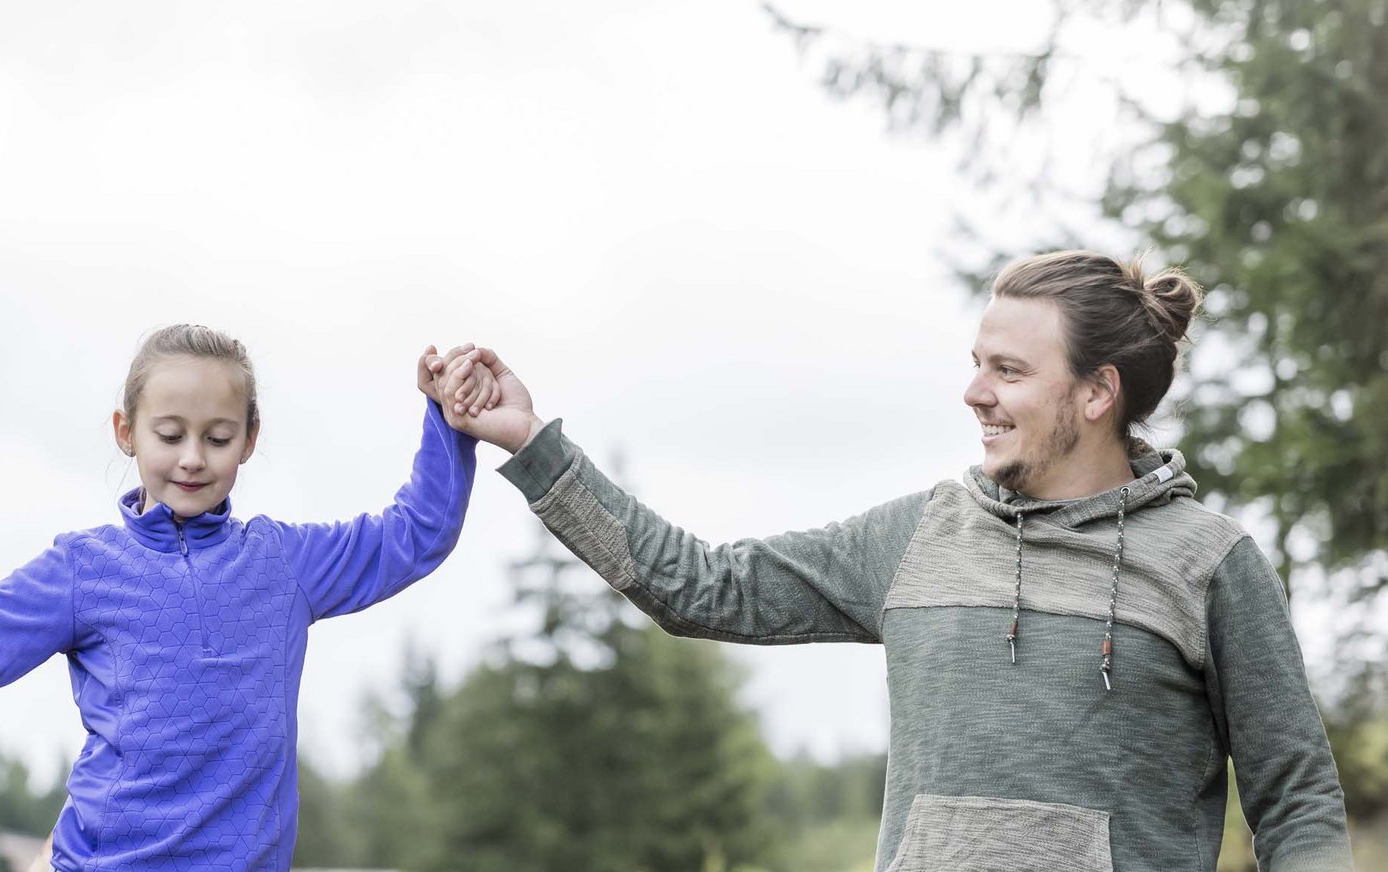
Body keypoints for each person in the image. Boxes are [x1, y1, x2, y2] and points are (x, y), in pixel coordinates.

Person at [431, 251, 1353, 872]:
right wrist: (530, 440)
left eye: (1009, 371)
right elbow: (697, 586)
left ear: (1098, 392)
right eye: (976, 363)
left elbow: (1298, 798)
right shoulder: (917, 538)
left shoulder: (1209, 563)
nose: (974, 392)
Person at [0, 324, 490, 871]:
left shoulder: (286, 566)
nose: (193, 458)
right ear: (125, 432)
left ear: (250, 438)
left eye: (217, 436)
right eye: (170, 434)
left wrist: (445, 421)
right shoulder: (82, 572)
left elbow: (417, 533)